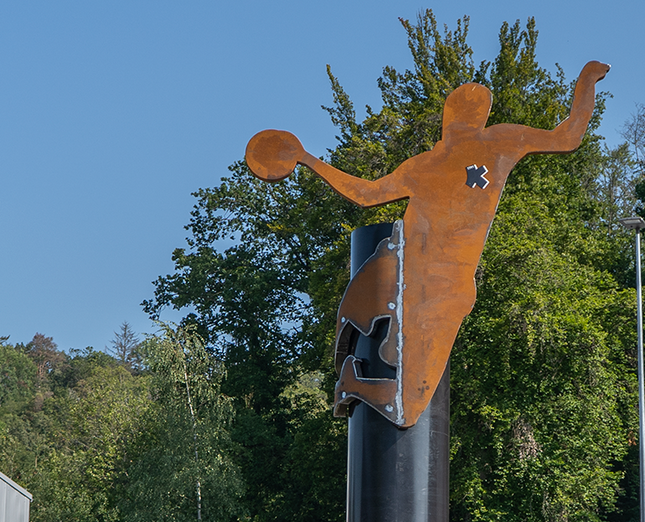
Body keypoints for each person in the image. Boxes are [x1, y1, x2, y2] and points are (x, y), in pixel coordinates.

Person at [246, 61, 610, 428]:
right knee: (407, 403)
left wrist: (309, 160)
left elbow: (366, 193)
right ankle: (359, 377)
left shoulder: (488, 146)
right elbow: (568, 135)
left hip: (440, 282)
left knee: (409, 400)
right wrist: (585, 84)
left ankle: (356, 380)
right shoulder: (462, 153)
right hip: (417, 270)